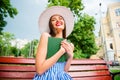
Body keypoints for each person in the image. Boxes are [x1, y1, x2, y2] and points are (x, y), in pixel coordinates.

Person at [33, 6, 74, 80]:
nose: (58, 20)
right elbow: (39, 70)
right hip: (47, 76)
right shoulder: (45, 36)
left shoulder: (69, 44)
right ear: (50, 25)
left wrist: (71, 56)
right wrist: (61, 52)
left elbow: (65, 71)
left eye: (61, 18)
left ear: (64, 23)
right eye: (53, 20)